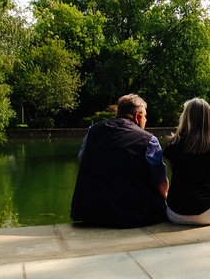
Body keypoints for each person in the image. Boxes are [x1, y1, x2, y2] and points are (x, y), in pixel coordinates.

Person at [71, 93, 169, 228]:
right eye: (145, 116)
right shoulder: (148, 140)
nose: (145, 120)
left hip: (90, 213)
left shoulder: (93, 131)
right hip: (132, 216)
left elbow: (82, 159)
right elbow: (161, 183)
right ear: (137, 116)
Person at [163, 98, 210, 225]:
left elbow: (172, 172)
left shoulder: (173, 144)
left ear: (185, 116)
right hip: (208, 212)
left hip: (176, 212)